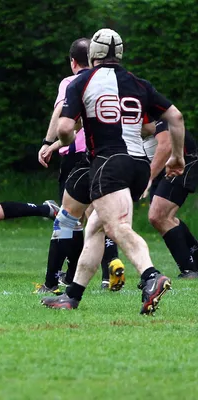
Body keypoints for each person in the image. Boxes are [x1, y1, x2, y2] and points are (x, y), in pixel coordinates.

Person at [41, 28, 186, 314]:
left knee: (118, 227)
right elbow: (174, 118)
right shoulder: (139, 84)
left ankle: (150, 276)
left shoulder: (80, 81)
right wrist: (177, 157)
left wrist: (64, 144)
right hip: (139, 166)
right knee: (96, 225)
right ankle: (72, 295)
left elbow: (66, 128)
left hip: (109, 164)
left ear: (93, 54)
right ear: (120, 54)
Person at [35, 38, 124, 294]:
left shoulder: (71, 82)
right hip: (106, 155)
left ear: (72, 61)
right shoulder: (108, 83)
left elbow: (61, 116)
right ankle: (109, 269)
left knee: (68, 217)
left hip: (77, 156)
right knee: (99, 214)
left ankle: (52, 280)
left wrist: (48, 142)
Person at [145, 120, 198, 278]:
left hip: (182, 161)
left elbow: (166, 144)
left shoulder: (147, 105)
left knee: (158, 216)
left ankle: (189, 270)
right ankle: (194, 261)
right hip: (163, 166)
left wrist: (147, 178)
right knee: (161, 217)